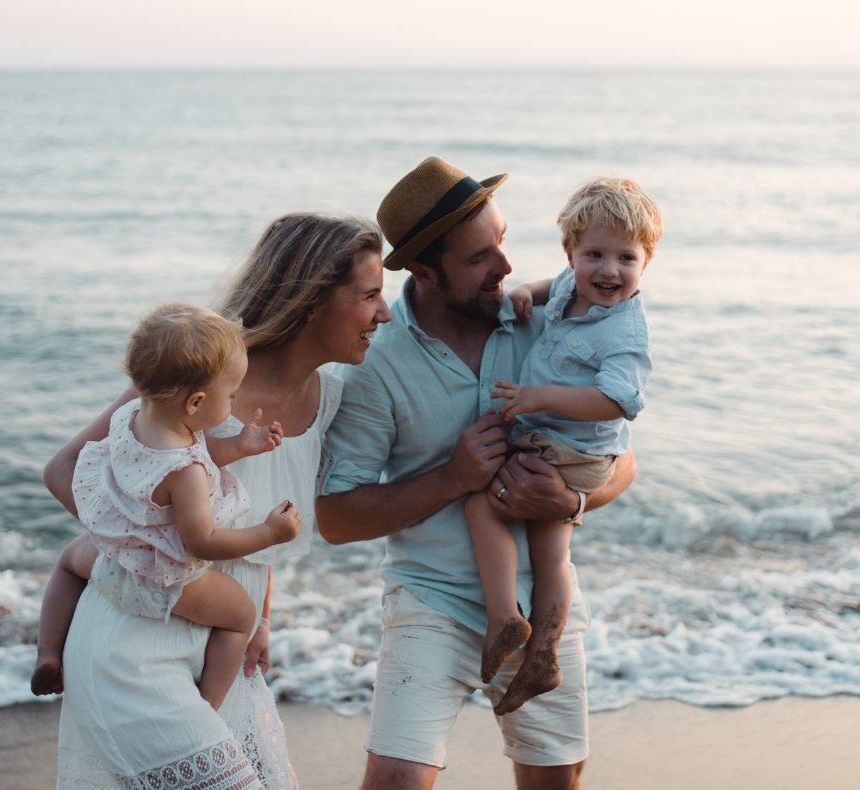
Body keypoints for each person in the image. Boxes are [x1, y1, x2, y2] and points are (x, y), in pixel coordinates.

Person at [317, 157, 637, 790]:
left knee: (555, 781)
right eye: (479, 258)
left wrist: (567, 501)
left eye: (503, 241)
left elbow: (623, 463)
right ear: (426, 273)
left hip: (542, 600)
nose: (506, 267)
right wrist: (452, 477)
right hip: (430, 599)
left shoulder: (549, 326)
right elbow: (335, 518)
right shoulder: (376, 360)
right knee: (395, 782)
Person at [44, 213, 390, 790]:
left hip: (225, 664)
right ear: (311, 301)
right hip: (134, 654)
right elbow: (65, 472)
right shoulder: (196, 378)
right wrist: (155, 557)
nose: (384, 313)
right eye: (370, 294)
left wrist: (263, 617)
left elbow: (260, 520)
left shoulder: (327, 398)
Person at [31, 301, 303, 710]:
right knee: (240, 617)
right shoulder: (186, 471)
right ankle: (209, 705)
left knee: (68, 562)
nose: (233, 403)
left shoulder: (132, 417)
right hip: (159, 581)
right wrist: (269, 532)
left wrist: (241, 446)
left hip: (111, 558)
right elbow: (202, 542)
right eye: (230, 395)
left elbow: (185, 452)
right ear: (195, 403)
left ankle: (47, 652)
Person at [470, 177, 658, 715]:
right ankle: (537, 651)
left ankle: (511, 620)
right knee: (545, 548)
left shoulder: (625, 331)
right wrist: (525, 295)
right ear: (570, 254)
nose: (609, 271)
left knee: (486, 506)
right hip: (558, 442)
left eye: (627, 258)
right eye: (594, 254)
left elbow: (618, 401)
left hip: (576, 450)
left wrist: (536, 397)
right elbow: (550, 287)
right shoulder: (571, 288)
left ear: (646, 262)